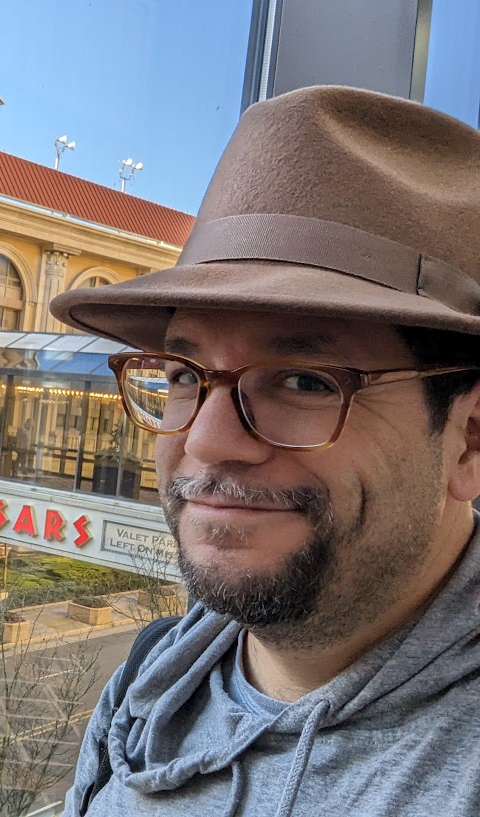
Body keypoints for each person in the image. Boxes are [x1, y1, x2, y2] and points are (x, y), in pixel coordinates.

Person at [50, 86, 480, 815]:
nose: (207, 442)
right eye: (184, 374)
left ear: (468, 440)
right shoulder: (157, 677)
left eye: (305, 380)